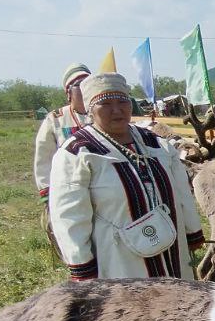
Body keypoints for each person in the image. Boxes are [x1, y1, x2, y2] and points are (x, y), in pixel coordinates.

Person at [49, 73, 204, 279]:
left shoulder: (156, 144)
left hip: (172, 246)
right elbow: (69, 216)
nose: (117, 110)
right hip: (119, 255)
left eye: (123, 101)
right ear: (90, 110)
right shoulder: (78, 153)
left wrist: (192, 232)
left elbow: (182, 193)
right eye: (105, 104)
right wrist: (81, 263)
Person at [33, 63, 90, 204]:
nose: (84, 88)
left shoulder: (102, 115)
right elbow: (43, 160)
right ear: (68, 92)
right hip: (67, 190)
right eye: (79, 84)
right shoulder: (55, 119)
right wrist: (48, 197)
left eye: (88, 83)